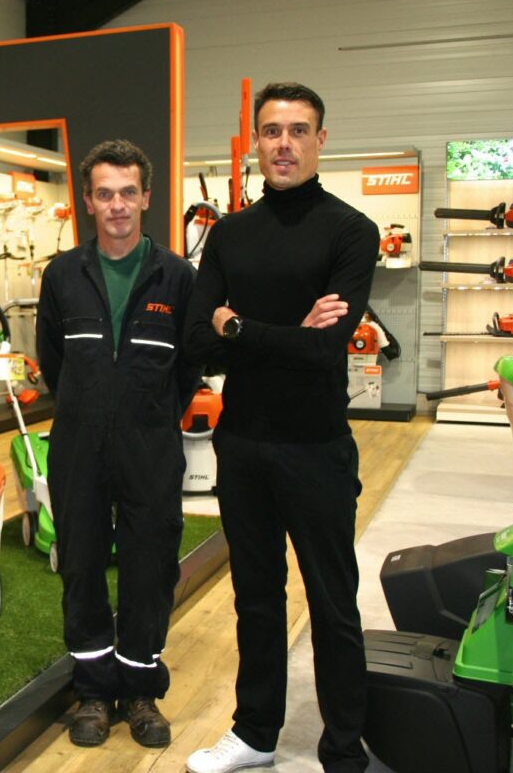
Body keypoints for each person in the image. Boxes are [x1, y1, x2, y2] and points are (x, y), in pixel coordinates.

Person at [182, 83, 379, 773]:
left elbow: (323, 351)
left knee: (333, 604)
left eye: (298, 130)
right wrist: (282, 334)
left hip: (316, 448)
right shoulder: (230, 234)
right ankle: (255, 734)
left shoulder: (351, 231)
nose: (284, 144)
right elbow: (195, 344)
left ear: (321, 140)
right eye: (272, 131)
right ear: (257, 144)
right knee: (256, 601)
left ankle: (343, 749)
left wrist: (236, 326)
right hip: (242, 446)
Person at [36, 139, 199, 749]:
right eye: (104, 194)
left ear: (146, 197)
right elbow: (53, 362)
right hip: (78, 445)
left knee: (149, 567)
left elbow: (188, 367)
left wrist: (150, 416)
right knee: (81, 565)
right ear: (88, 201)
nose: (117, 206)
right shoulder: (62, 275)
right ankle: (93, 691)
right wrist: (89, 408)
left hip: (150, 448)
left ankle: (139, 691)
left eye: (128, 192)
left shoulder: (177, 277)